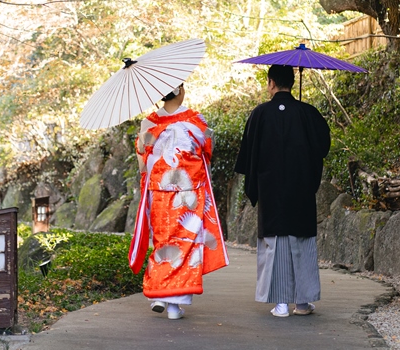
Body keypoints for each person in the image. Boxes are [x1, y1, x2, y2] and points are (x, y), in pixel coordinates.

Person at [235, 64, 331, 317]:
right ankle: (302, 303)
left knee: (276, 242)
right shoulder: (308, 112)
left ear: (271, 83)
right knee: (301, 241)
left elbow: (248, 154)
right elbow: (322, 145)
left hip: (271, 188)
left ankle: (280, 304)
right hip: (301, 187)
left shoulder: (260, 114)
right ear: (292, 82)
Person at [128, 83, 229, 320]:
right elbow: (207, 151)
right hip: (189, 192)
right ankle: (174, 307)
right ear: (180, 90)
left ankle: (159, 294)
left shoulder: (148, 123)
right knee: (186, 243)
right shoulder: (195, 120)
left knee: (162, 241)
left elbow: (143, 164)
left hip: (159, 192)